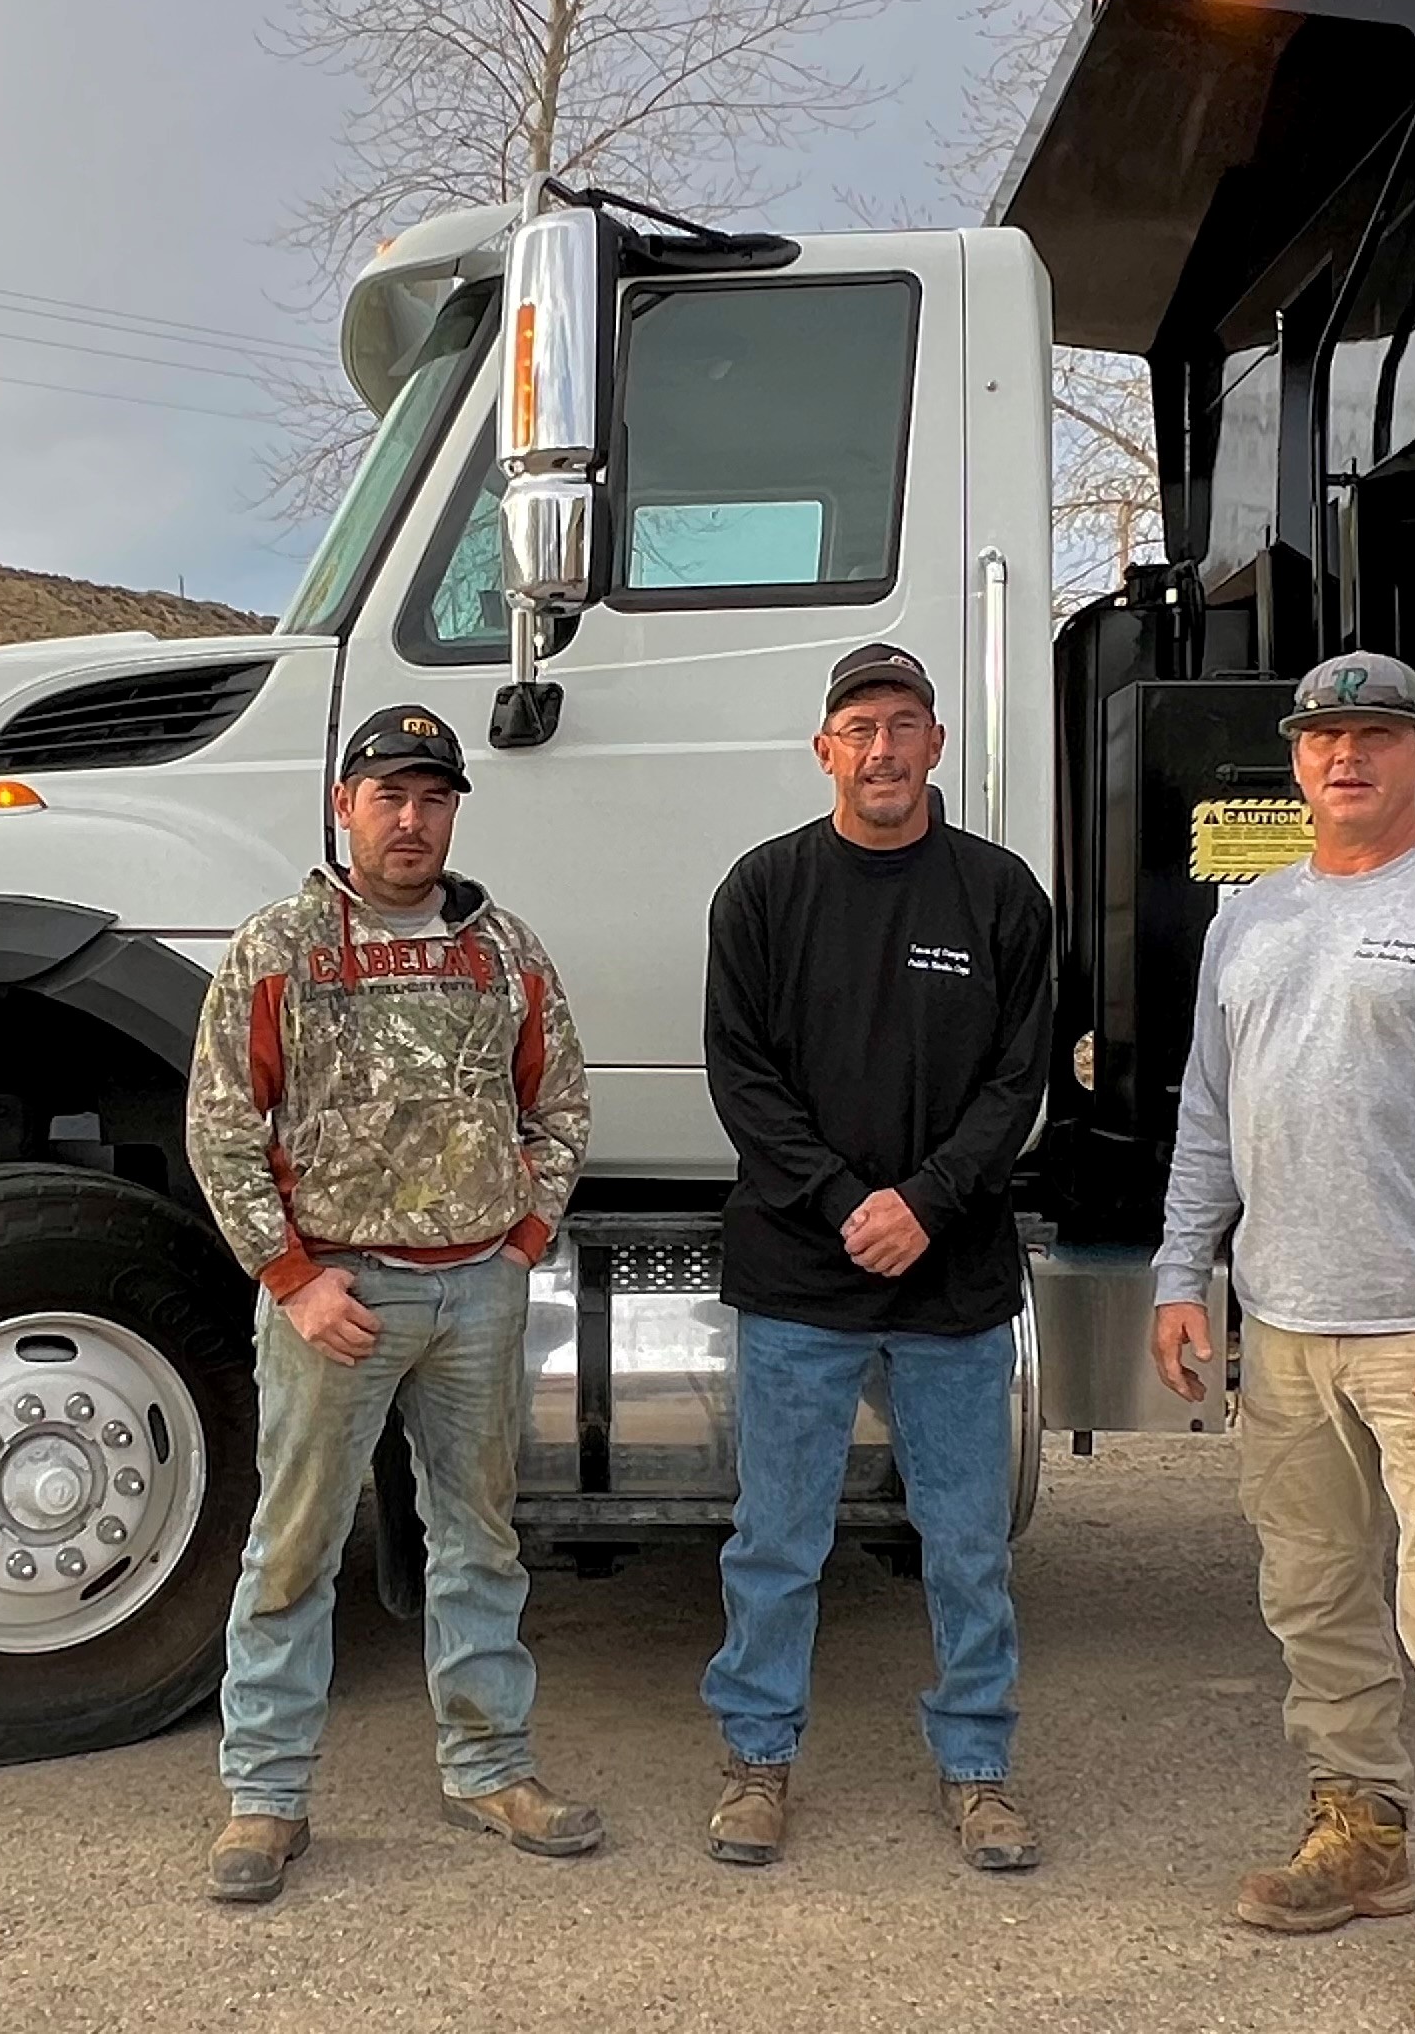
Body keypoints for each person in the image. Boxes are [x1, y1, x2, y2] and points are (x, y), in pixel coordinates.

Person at [1149, 650, 1415, 2034]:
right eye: (1323, 734)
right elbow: (1209, 1111)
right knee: (1317, 1600)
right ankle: (1360, 1836)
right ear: (1294, 760)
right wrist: (1181, 1270)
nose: (1346, 755)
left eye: (1375, 735)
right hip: (1284, 1329)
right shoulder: (1252, 915)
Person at [184, 703, 598, 1905]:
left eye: (431, 797)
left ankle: (487, 1768)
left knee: (479, 1543)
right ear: (343, 805)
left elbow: (557, 1105)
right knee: (294, 1547)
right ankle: (264, 1797)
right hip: (336, 1299)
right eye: (387, 795)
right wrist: (293, 1278)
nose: (408, 819)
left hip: (475, 1295)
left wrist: (519, 1243)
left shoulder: (503, 951)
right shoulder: (281, 948)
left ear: (453, 811)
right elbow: (220, 1124)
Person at [697, 642, 1055, 1875]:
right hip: (801, 1272)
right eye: (859, 726)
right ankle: (755, 1757)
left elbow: (1018, 1085)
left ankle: (976, 1766)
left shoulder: (1000, 895)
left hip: (950, 1277)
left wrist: (928, 1202)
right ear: (824, 750)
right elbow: (741, 1078)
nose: (882, 748)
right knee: (776, 1536)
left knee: (964, 1540)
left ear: (936, 746)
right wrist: (850, 1201)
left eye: (904, 723)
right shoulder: (761, 890)